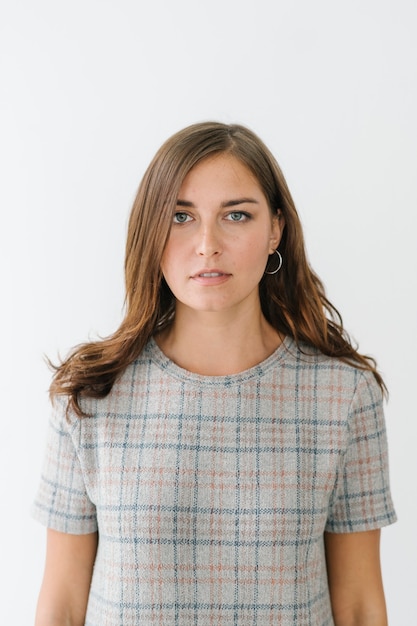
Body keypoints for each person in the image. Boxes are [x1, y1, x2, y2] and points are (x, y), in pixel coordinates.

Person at [32, 121, 396, 625]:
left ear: (276, 230)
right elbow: (62, 606)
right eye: (181, 216)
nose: (206, 243)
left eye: (236, 215)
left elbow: (358, 606)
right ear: (149, 230)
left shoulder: (343, 396)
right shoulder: (90, 396)